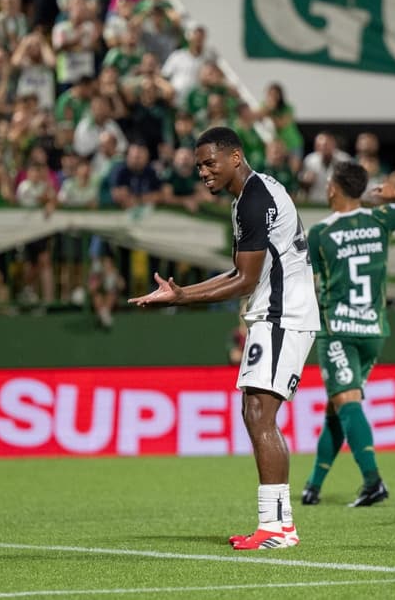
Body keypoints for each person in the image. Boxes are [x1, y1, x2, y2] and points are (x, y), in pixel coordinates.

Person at [129, 127, 319, 550]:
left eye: (209, 162)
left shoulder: (253, 200)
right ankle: (279, 525)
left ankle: (276, 528)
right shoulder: (253, 194)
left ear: (235, 157)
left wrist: (180, 297)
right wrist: (181, 294)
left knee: (259, 415)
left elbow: (244, 279)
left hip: (282, 314)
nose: (202, 172)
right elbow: (241, 274)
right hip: (277, 314)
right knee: (255, 412)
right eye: (199, 165)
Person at [302, 161, 395, 508]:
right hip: (373, 330)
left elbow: (305, 284)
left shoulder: (320, 233)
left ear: (333, 188)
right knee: (338, 406)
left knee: (346, 402)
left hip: (338, 331)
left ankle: (373, 482)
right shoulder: (380, 219)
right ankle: (312, 487)